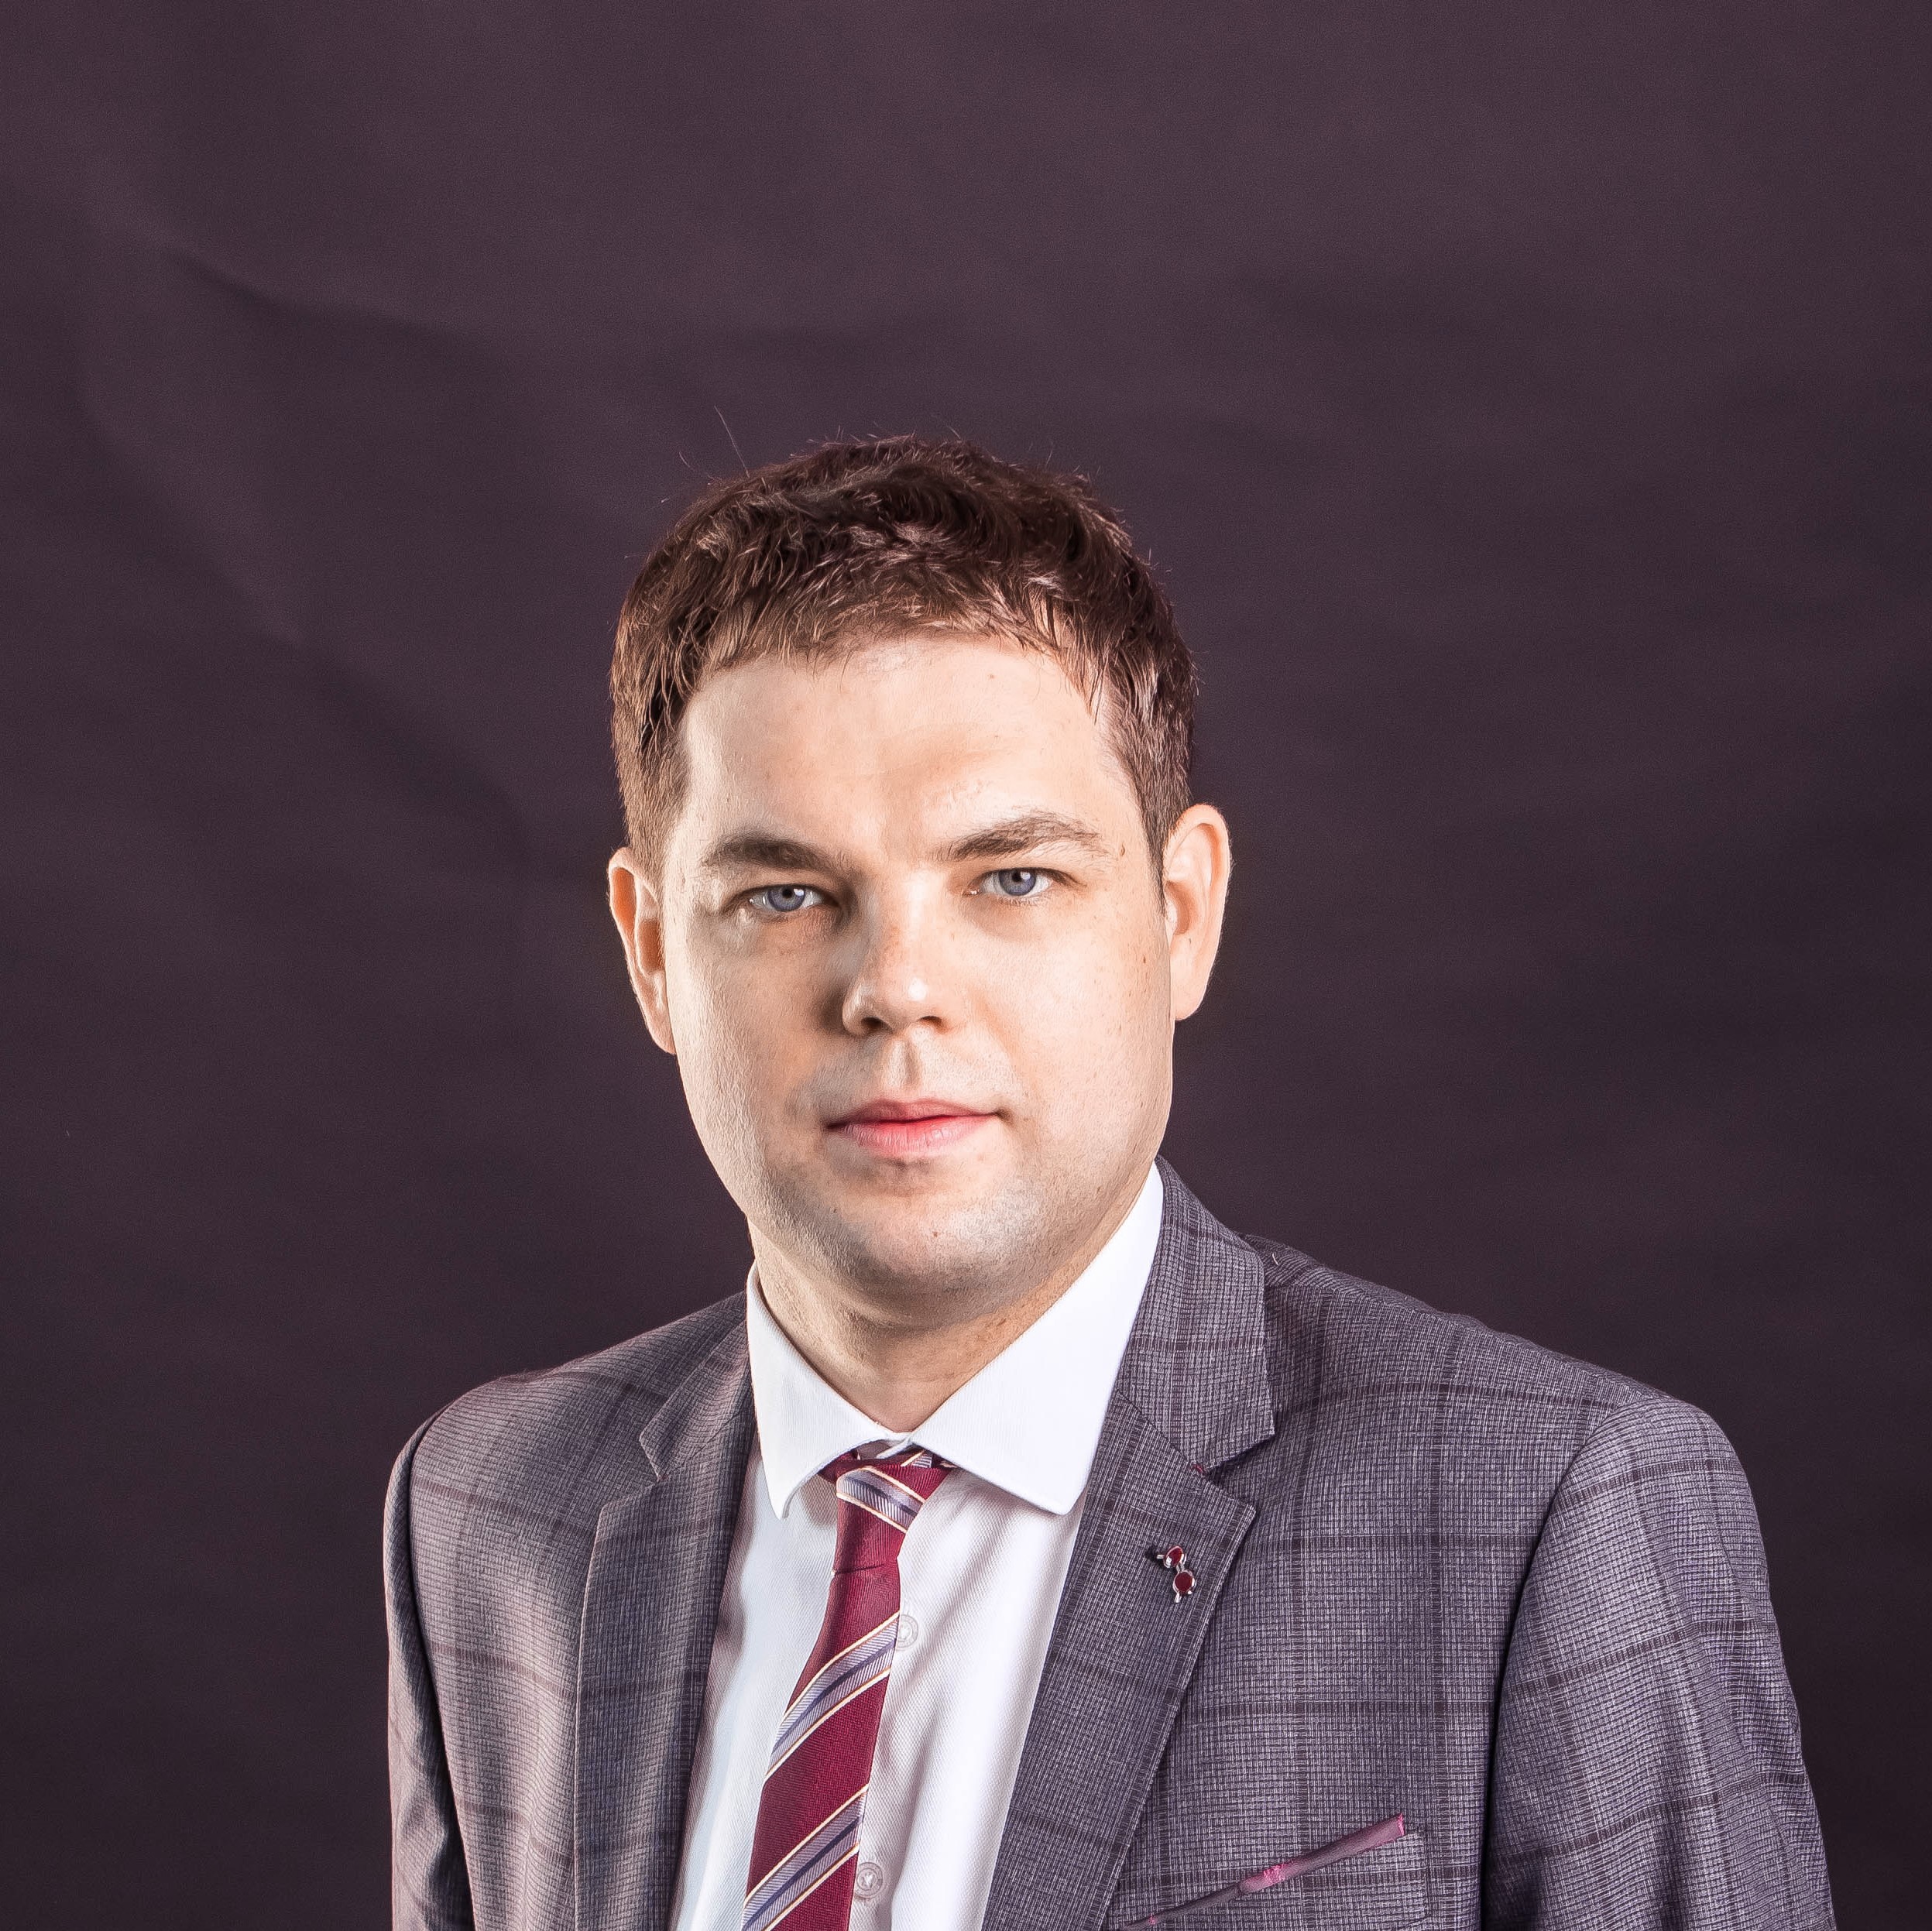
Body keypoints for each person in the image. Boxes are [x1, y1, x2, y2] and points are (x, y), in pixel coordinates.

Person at [384, 437, 1833, 1931]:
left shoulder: (1551, 1517)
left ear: (1181, 913)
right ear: (650, 953)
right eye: (786, 893)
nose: (895, 987)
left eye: (1011, 877)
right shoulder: (489, 1511)